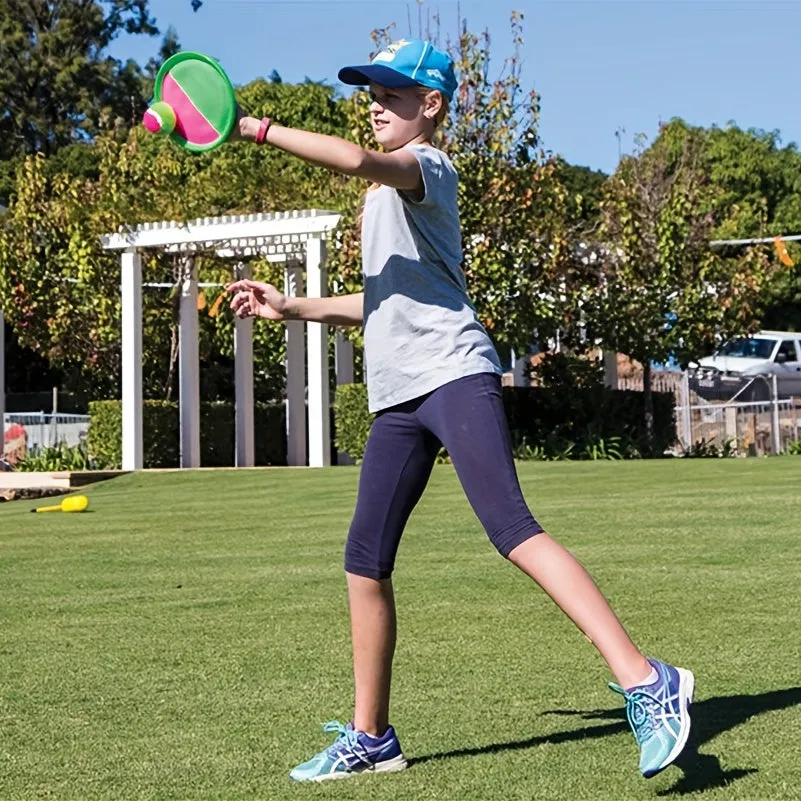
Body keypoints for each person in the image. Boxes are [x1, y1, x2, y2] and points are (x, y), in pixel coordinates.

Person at [227, 38, 694, 784]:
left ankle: (648, 680)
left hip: (452, 375)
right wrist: (292, 307)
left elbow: (353, 158)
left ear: (431, 105)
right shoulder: (381, 199)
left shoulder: (424, 168)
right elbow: (382, 300)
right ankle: (370, 735)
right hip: (399, 397)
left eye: (392, 93)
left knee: (510, 529)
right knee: (363, 561)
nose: (375, 104)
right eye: (369, 93)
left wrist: (255, 128)